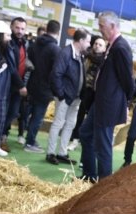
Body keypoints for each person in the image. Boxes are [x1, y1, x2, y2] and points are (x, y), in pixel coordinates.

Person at [79, 11, 134, 182]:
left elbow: (128, 81)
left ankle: (104, 185)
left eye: (101, 26)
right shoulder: (113, 45)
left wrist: (124, 103)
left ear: (112, 26)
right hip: (101, 103)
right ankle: (89, 175)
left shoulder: (120, 47)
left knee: (103, 146)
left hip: (108, 104)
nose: (99, 29)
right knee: (85, 133)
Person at [46, 28, 90, 165]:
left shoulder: (79, 54)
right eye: (88, 41)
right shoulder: (65, 53)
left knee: (70, 124)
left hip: (75, 98)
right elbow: (55, 74)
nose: (89, 44)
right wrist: (61, 95)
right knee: (58, 123)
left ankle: (62, 153)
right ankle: (50, 153)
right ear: (81, 41)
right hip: (65, 97)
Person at [24, 20, 60, 153]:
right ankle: (30, 142)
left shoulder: (34, 44)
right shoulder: (55, 49)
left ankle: (26, 138)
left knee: (28, 113)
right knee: (38, 117)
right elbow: (56, 71)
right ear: (58, 32)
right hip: (45, 87)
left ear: (46, 28)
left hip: (31, 83)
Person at [67, 36, 105, 151]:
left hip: (97, 94)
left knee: (92, 118)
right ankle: (75, 139)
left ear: (104, 49)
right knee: (80, 115)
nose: (97, 46)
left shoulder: (104, 62)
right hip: (84, 91)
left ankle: (88, 140)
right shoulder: (86, 57)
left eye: (100, 45)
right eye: (96, 44)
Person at [1, 17, 29, 151]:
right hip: (8, 85)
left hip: (18, 86)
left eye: (22, 28)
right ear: (11, 27)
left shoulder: (23, 43)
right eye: (17, 27)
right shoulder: (8, 43)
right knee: (3, 114)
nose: (19, 31)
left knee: (12, 113)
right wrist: (21, 85)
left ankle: (0, 137)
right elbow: (11, 67)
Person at [0, 21, 13, 157]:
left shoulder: (4, 51)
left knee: (0, 120)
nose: (10, 38)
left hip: (2, 91)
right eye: (7, 35)